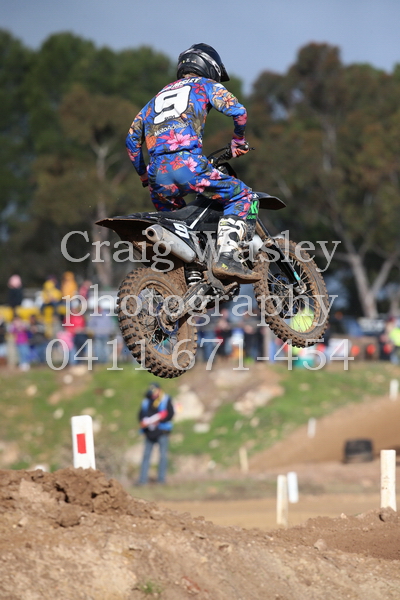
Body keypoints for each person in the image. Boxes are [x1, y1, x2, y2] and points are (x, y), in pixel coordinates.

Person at [126, 43, 260, 283]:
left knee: (179, 225)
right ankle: (227, 258)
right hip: (189, 166)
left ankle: (191, 276)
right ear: (210, 66)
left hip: (158, 177)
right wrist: (238, 141)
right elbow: (239, 112)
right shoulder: (205, 85)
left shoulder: (154, 100)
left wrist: (143, 176)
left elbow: (131, 141)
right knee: (244, 196)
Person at [137, 383, 174, 485]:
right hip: (149, 432)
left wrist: (159, 420)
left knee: (162, 456)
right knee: (146, 456)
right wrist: (145, 422)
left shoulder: (166, 399)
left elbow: (170, 414)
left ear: (159, 390)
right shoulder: (146, 401)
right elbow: (141, 415)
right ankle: (142, 480)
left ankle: (161, 480)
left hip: (162, 432)